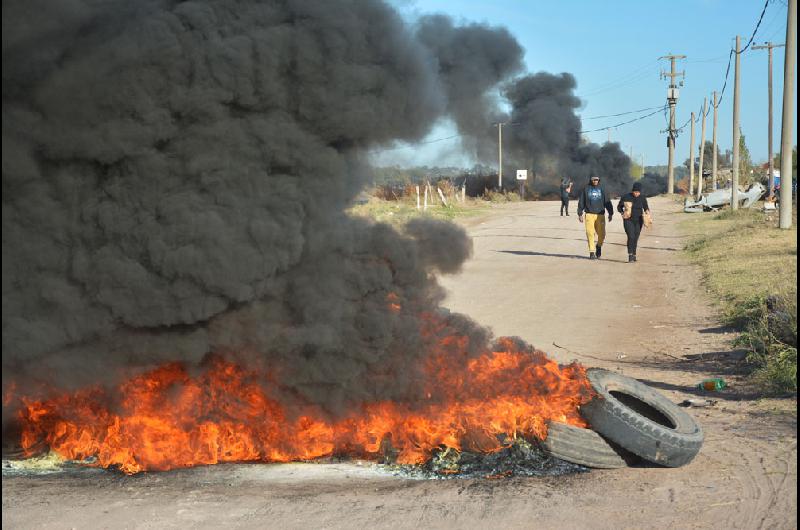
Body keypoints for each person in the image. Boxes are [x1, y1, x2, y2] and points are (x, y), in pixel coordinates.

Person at [577, 175, 613, 260]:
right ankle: (592, 252)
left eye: (597, 179)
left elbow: (607, 202)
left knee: (602, 234)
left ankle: (599, 246)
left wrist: (610, 213)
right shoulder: (586, 189)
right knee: (590, 233)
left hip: (600, 215)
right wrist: (579, 213)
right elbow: (581, 201)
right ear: (591, 180)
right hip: (589, 214)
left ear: (599, 180)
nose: (595, 181)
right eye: (593, 179)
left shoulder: (602, 189)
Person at [617, 181, 651, 263]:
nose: (637, 193)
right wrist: (622, 213)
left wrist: (647, 213)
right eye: (635, 192)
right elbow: (619, 207)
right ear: (632, 191)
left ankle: (634, 254)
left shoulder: (642, 197)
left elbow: (646, 207)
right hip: (628, 220)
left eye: (638, 192)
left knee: (636, 237)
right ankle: (630, 255)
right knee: (631, 236)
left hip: (639, 220)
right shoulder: (626, 197)